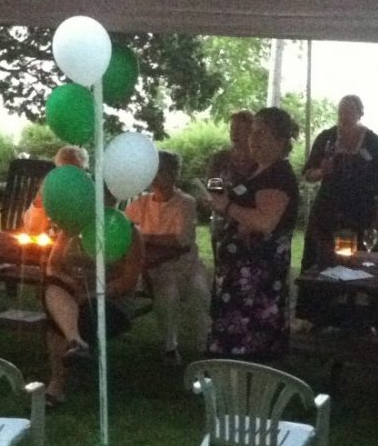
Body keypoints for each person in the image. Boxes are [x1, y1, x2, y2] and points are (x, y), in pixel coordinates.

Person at [205, 107, 301, 363]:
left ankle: (245, 392)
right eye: (253, 133)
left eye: (261, 133)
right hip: (239, 275)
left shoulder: (278, 175)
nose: (253, 139)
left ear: (280, 141)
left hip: (256, 282)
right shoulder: (259, 170)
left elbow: (265, 222)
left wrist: (227, 206)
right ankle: (231, 389)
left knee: (249, 345)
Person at [40, 200, 146, 404]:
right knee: (51, 287)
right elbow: (53, 266)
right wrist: (70, 282)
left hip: (110, 301)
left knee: (58, 322)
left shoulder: (129, 233)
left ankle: (56, 386)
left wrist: (93, 294)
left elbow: (128, 281)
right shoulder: (73, 226)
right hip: (72, 295)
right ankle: (76, 341)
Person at [126, 150, 210, 364]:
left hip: (188, 265)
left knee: (200, 290)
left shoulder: (186, 203)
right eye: (153, 171)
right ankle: (170, 346)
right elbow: (124, 227)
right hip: (157, 268)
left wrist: (144, 236)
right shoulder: (141, 202)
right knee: (167, 292)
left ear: (174, 174)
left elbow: (181, 240)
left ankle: (205, 345)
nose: (156, 177)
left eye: (161, 171)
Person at [301, 94, 378, 269]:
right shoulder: (326, 138)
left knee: (360, 262)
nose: (344, 115)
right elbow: (307, 174)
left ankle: (356, 294)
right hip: (328, 211)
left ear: (360, 113)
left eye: (349, 110)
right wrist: (322, 171)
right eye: (341, 110)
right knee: (321, 260)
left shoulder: (372, 141)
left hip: (361, 212)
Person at [204, 110, 256, 258]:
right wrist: (212, 198)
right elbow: (212, 186)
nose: (234, 133)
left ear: (252, 132)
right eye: (232, 128)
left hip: (250, 225)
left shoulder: (260, 163)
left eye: (240, 129)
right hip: (222, 223)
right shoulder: (220, 159)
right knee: (222, 270)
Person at [22, 145, 91, 236]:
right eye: (64, 171)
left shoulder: (88, 192)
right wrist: (40, 198)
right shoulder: (52, 186)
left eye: (75, 171)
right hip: (47, 240)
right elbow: (32, 229)